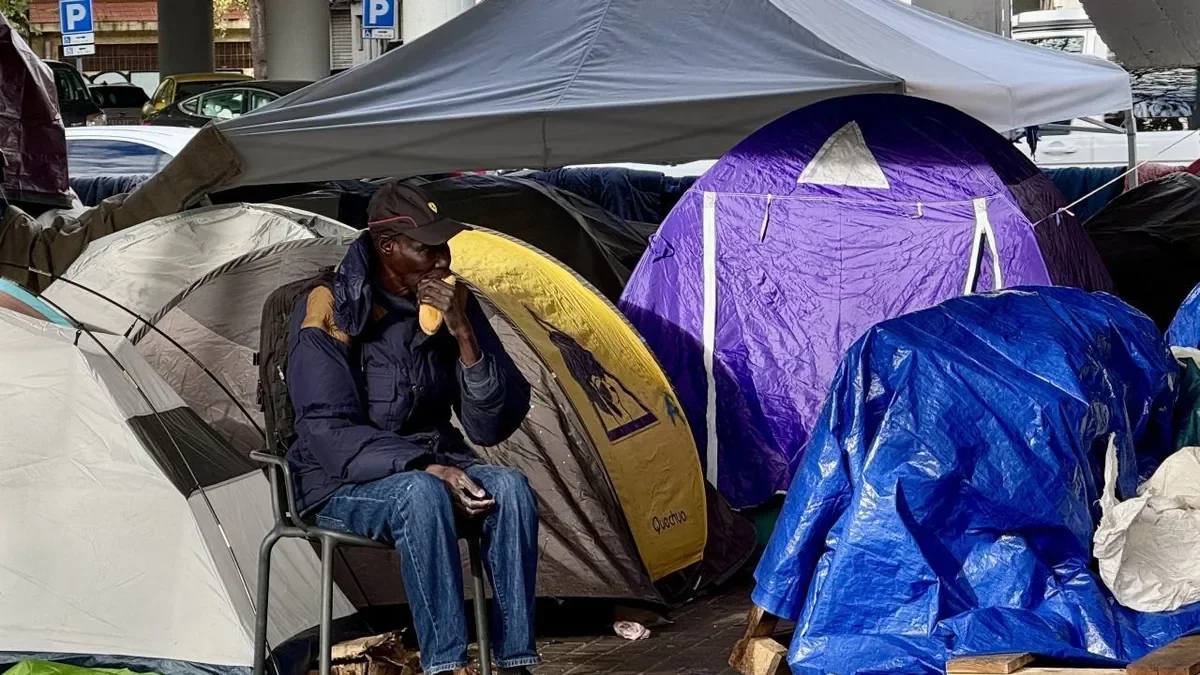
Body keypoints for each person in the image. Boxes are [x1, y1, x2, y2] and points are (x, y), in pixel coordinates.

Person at [285, 180, 538, 675]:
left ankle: (515, 662)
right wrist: (426, 464)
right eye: (427, 248)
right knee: (419, 494)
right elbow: (325, 427)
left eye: (444, 247)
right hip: (337, 481)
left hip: (431, 461)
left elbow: (491, 426)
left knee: (511, 487)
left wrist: (462, 331)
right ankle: (445, 665)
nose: (442, 260)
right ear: (387, 247)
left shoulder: (451, 302)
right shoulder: (329, 306)